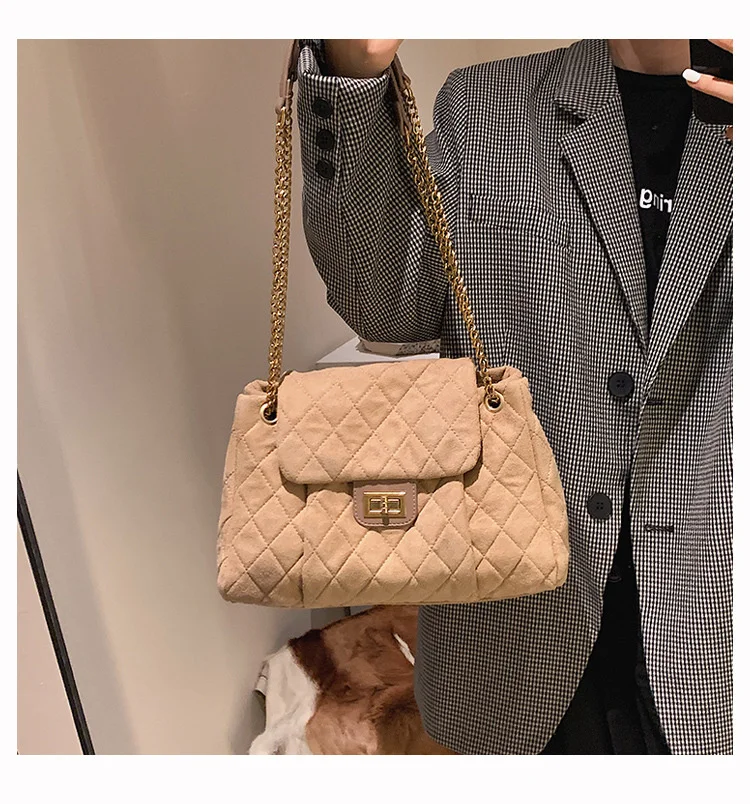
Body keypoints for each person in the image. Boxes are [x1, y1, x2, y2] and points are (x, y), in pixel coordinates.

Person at [293, 38, 733, 755]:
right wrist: (352, 69)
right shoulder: (487, 107)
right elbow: (386, 306)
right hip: (515, 638)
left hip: (719, 629)